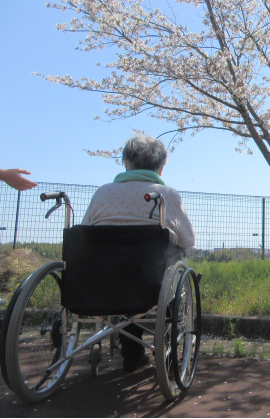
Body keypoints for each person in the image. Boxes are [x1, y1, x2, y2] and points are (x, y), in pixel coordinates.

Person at [82, 133, 195, 372]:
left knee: (124, 280)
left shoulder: (102, 193)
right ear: (161, 167)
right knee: (161, 273)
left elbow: (84, 234)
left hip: (103, 280)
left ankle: (132, 354)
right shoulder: (167, 195)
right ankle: (166, 347)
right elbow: (188, 240)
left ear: (125, 162)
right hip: (151, 283)